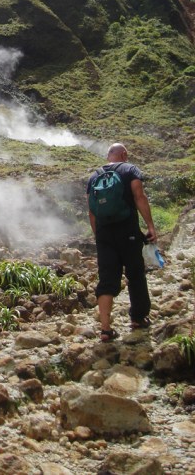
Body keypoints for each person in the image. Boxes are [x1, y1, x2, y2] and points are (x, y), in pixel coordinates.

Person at [87, 143, 157, 342]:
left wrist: (98, 236)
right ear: (124, 154)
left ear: (109, 156)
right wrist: (150, 226)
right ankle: (137, 318)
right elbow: (139, 197)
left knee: (107, 279)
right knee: (135, 274)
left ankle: (106, 329)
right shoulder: (130, 169)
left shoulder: (94, 177)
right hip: (128, 231)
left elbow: (91, 211)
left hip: (104, 235)